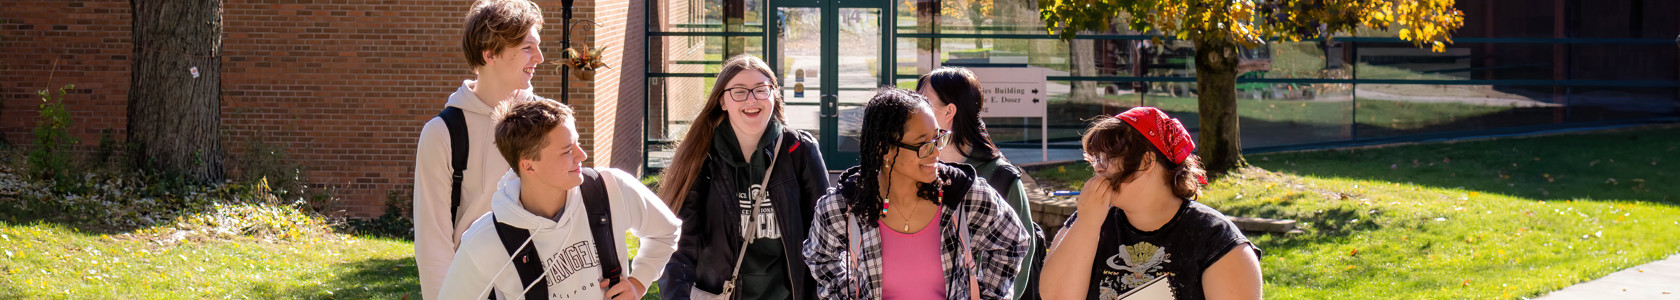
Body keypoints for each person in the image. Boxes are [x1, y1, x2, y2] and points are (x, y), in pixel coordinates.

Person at [437, 96, 681, 299]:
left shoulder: (611, 188)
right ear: (529, 167)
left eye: (577, 142)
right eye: (567, 151)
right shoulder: (485, 240)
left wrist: (638, 283)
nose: (582, 155)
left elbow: (666, 231)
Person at [802, 88, 1028, 299]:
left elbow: (1013, 242)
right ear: (884, 148)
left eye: (938, 138)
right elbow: (819, 257)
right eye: (923, 144)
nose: (936, 152)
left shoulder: (964, 195)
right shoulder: (843, 206)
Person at [1039, 107, 1263, 300]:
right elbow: (1056, 296)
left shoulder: (1215, 239)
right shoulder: (1088, 221)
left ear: (1146, 161)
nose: (1098, 169)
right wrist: (1087, 223)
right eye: (1096, 159)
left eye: (1108, 158)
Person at [657, 54, 830, 300]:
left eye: (761, 90)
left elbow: (825, 238)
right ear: (722, 101)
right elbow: (679, 247)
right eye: (739, 91)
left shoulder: (799, 150)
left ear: (774, 95)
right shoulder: (703, 157)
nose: (751, 99)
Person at [413, 0, 546, 298]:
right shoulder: (443, 133)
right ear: (490, 55)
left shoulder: (550, 124)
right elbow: (432, 240)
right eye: (527, 48)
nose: (539, 57)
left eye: (537, 46)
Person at [916, 67, 1043, 299]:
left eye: (923, 101)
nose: (914, 108)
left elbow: (1020, 259)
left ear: (949, 112)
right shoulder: (916, 168)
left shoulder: (1001, 178)